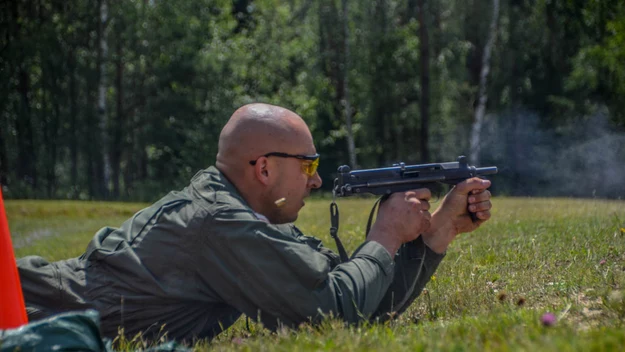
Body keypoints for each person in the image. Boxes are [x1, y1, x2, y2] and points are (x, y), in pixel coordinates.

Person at [17, 103, 492, 343]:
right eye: (307, 165)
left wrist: (435, 234)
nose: (317, 178)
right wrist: (385, 234)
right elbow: (329, 315)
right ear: (264, 169)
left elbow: (362, 305)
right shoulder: (222, 222)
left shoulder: (245, 215)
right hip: (26, 312)